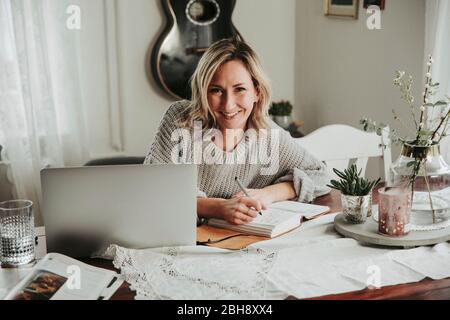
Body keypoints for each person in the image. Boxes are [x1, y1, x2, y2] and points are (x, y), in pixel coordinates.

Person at [145, 37, 330, 225]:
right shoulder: (180, 119)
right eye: (216, 90)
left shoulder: (267, 134)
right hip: (182, 239)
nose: (228, 105)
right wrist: (218, 208)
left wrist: (269, 194)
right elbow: (152, 189)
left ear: (256, 92)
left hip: (241, 244)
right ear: (203, 91)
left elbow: (320, 175)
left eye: (239, 89)